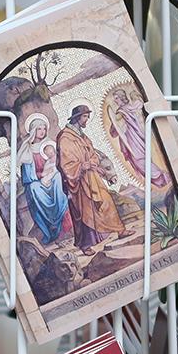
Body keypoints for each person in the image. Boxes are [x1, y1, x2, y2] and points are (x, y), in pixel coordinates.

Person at [56, 103, 126, 253]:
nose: (87, 120)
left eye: (87, 116)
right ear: (77, 118)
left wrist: (92, 162)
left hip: (92, 176)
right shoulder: (65, 138)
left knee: (106, 200)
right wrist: (81, 166)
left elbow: (93, 153)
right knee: (85, 212)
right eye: (85, 117)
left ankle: (120, 230)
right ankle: (86, 245)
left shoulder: (82, 136)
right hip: (78, 182)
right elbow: (65, 163)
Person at [18, 114, 72, 244]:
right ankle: (50, 227)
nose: (42, 132)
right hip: (38, 181)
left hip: (53, 178)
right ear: (33, 131)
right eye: (39, 129)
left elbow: (60, 161)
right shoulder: (27, 150)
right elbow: (27, 176)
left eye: (43, 129)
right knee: (33, 187)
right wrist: (39, 176)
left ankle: (62, 218)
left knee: (58, 177)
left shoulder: (50, 145)